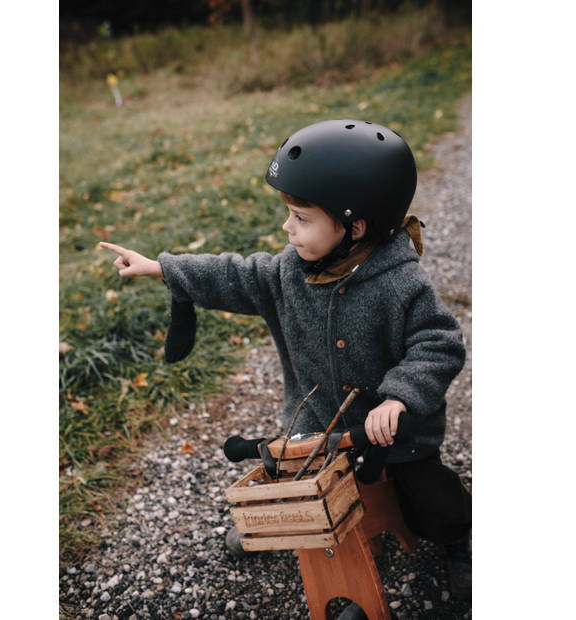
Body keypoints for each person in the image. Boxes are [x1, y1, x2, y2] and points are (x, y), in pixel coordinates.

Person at [100, 119, 472, 608]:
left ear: (353, 226)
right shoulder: (288, 272)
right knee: (293, 494)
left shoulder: (400, 284)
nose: (286, 227)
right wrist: (163, 267)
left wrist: (402, 394)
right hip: (319, 426)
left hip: (396, 436)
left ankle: (460, 543)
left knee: (433, 506)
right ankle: (280, 532)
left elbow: (439, 341)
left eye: (300, 217)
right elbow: (234, 274)